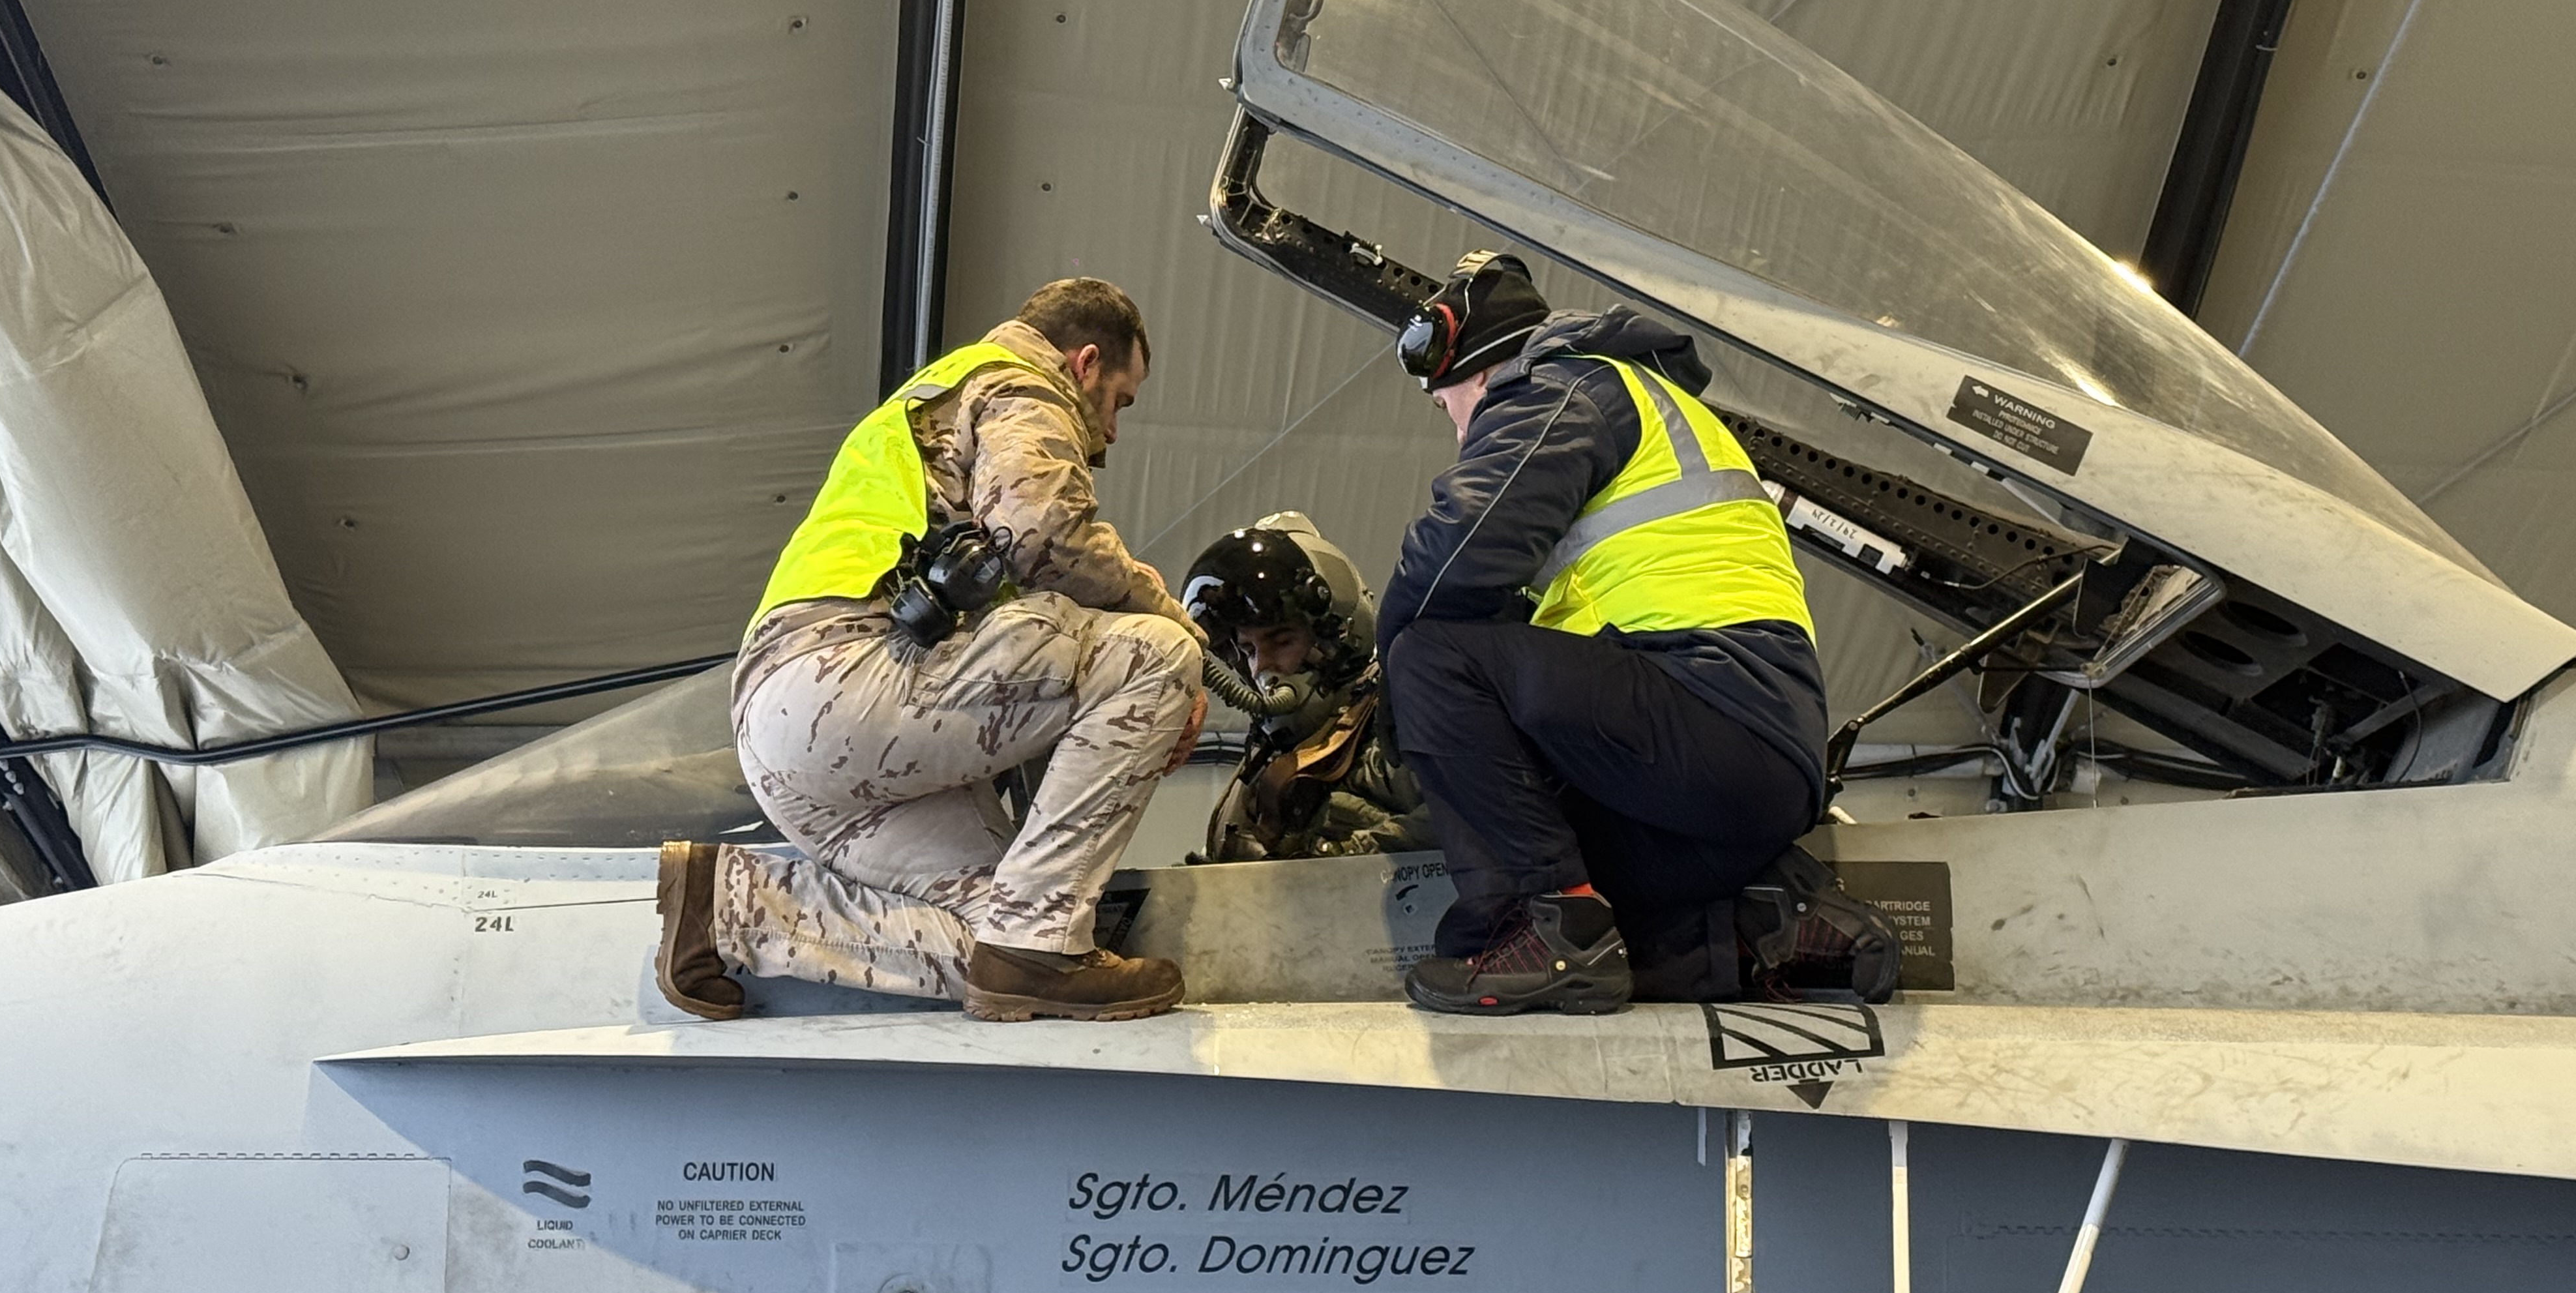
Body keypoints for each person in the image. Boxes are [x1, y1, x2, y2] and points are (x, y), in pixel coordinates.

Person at [652, 277, 1207, 1024]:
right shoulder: (1016, 384)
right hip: (850, 676)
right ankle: (1043, 951)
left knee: (1002, 930)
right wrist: (1185, 637)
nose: (1112, 430)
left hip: (801, 734)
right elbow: (1046, 536)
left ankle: (729, 909)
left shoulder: (925, 405)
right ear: (1083, 364)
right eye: (1121, 401)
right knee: (1158, 653)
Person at [1379, 250, 1826, 1013]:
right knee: (1546, 836)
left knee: (1426, 654)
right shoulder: (1648, 407)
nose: (1455, 428)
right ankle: (1773, 926)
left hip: (1711, 707)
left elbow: (1454, 555)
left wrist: (1394, 686)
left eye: (1444, 402)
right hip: (1744, 777)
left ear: (1477, 373)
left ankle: (1553, 936)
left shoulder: (1563, 388)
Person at [1180, 513, 1430, 862]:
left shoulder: (1400, 729)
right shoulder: (1273, 756)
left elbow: (1472, 817)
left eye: (1282, 642)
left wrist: (1347, 855)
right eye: (1249, 651)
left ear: (1336, 640)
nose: (1262, 666)